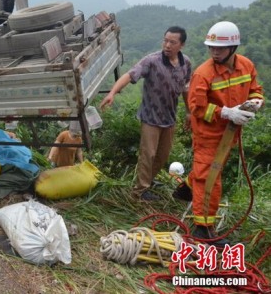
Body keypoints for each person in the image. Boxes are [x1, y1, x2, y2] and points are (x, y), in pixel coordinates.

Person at [185, 21, 264, 246]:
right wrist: (226, 113)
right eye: (211, 48)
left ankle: (187, 187)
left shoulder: (246, 66)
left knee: (205, 174)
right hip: (208, 136)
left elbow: (255, 90)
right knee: (209, 179)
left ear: (233, 48)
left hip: (230, 135)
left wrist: (255, 103)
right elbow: (197, 108)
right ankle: (203, 228)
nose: (214, 52)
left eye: (219, 49)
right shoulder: (203, 74)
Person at [100, 26, 192, 201]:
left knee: (163, 155)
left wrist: (189, 111)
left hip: (169, 118)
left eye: (172, 42)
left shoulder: (185, 63)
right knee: (148, 154)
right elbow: (129, 75)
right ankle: (139, 192)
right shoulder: (152, 61)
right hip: (150, 117)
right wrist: (112, 93)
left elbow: (186, 88)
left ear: (182, 45)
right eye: (165, 40)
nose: (167, 45)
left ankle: (148, 181)